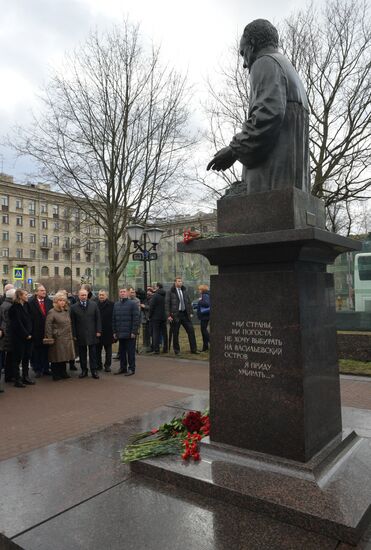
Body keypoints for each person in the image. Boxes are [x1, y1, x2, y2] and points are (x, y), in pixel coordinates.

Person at [207, 19, 310, 195]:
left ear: (252, 45)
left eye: (243, 53)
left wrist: (233, 150)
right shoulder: (288, 69)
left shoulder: (265, 63)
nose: (245, 64)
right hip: (291, 188)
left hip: (270, 185)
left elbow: (267, 115)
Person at [70, 288, 101, 379]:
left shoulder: (94, 305)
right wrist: (74, 335)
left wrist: (98, 331)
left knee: (93, 354)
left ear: (87, 295)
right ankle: (84, 370)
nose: (84, 297)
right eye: (82, 295)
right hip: (80, 334)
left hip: (92, 333)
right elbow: (73, 322)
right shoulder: (74, 307)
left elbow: (98, 319)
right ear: (78, 296)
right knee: (82, 354)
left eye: (85, 295)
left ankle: (94, 371)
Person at [44, 292, 76, 381]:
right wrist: (50, 337)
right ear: (56, 301)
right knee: (56, 356)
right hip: (57, 337)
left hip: (67, 337)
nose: (62, 302)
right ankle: (56, 373)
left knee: (64, 356)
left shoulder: (66, 311)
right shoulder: (52, 312)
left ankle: (63, 372)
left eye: (64, 301)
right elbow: (48, 325)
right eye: (60, 300)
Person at [8, 288, 34, 387]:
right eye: (25, 294)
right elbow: (17, 324)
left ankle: (26, 377)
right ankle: (17, 380)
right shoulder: (14, 308)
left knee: (27, 357)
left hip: (29, 336)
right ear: (20, 296)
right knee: (17, 358)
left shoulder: (27, 305)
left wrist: (30, 333)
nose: (27, 296)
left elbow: (31, 319)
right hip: (18, 338)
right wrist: (25, 334)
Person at [166, 277, 198, 355]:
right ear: (175, 282)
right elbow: (167, 304)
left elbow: (188, 302)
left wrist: (190, 312)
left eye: (181, 281)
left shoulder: (184, 291)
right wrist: (168, 315)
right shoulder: (170, 292)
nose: (180, 283)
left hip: (185, 314)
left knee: (191, 330)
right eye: (179, 281)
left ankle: (194, 349)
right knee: (175, 333)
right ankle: (177, 350)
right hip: (175, 315)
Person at [113, 288, 140, 376]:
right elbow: (114, 319)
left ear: (127, 293)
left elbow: (136, 318)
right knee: (122, 352)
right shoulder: (116, 305)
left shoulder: (133, 304)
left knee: (130, 352)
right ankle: (122, 367)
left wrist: (134, 331)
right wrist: (115, 332)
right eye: (121, 292)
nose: (122, 293)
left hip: (130, 333)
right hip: (120, 333)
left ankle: (131, 368)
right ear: (119, 293)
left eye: (124, 292)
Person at [28, 285, 53, 377]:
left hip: (47, 331)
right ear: (36, 292)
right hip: (35, 331)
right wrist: (30, 332)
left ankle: (46, 368)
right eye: (41, 290)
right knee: (36, 351)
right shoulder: (31, 303)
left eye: (44, 290)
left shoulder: (49, 302)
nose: (44, 292)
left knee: (46, 351)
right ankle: (38, 369)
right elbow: (29, 318)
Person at [0, 288, 16, 384]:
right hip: (9, 333)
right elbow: (9, 321)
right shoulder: (10, 306)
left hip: (6, 333)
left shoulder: (4, 304)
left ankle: (8, 375)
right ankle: (9, 375)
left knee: (8, 356)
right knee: (10, 356)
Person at [96, 289, 114, 372]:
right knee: (97, 350)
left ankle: (107, 365)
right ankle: (98, 365)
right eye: (100, 295)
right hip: (97, 331)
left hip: (108, 331)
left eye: (103, 295)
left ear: (106, 295)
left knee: (108, 351)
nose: (101, 296)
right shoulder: (95, 304)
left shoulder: (112, 305)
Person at [149, 283, 168, 354]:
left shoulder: (155, 296)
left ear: (157, 287)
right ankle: (165, 348)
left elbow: (152, 307)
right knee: (164, 333)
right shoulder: (165, 295)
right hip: (163, 316)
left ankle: (156, 349)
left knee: (155, 333)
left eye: (155, 287)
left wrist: (150, 316)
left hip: (155, 317)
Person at [197, 285, 210, 352]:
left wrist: (199, 301)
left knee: (204, 330)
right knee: (203, 330)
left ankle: (210, 341)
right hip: (206, 315)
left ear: (202, 289)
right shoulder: (207, 294)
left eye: (199, 289)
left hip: (205, 316)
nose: (198, 291)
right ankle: (205, 347)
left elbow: (206, 304)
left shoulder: (205, 295)